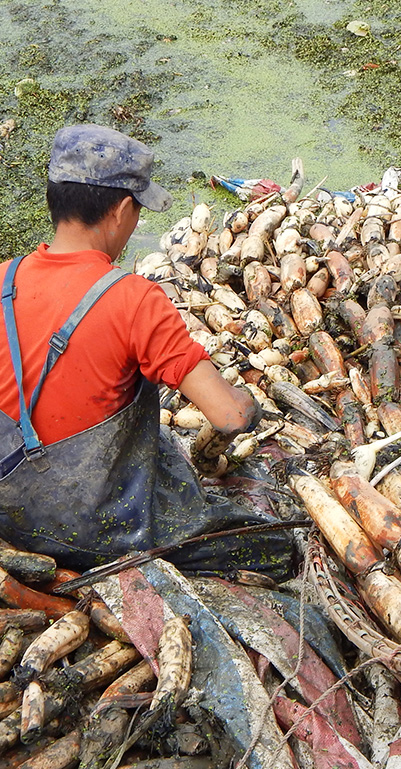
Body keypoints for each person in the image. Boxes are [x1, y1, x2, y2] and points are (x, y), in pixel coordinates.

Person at [0, 123, 294, 576]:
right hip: (96, 532)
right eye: (137, 210)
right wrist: (244, 404)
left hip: (9, 515)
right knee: (277, 548)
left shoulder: (3, 279)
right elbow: (228, 417)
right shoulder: (133, 299)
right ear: (120, 210)